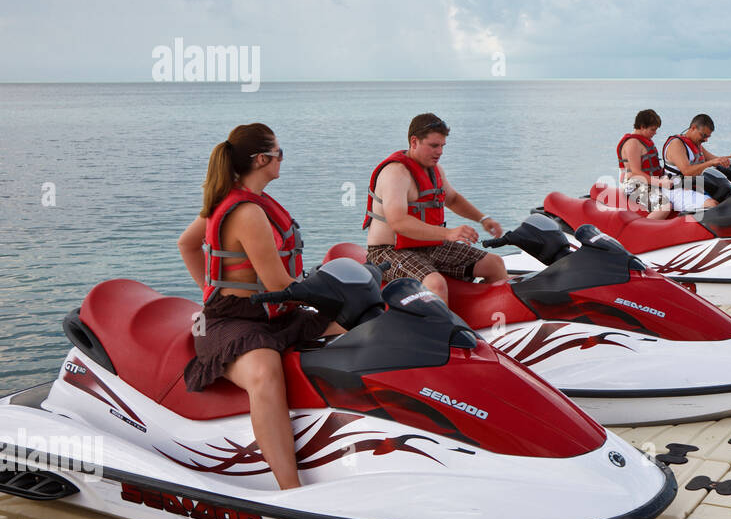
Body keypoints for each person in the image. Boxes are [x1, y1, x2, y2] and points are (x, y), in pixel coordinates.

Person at [178, 124, 345, 490]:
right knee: (265, 371)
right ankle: (291, 489)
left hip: (274, 313)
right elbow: (277, 284)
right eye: (279, 153)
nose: (283, 159)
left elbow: (187, 245)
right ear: (262, 159)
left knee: (355, 331)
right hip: (231, 322)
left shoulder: (242, 201)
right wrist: (214, 294)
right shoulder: (246, 212)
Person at [364, 113, 506, 295]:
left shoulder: (434, 169)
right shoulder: (395, 173)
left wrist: (483, 219)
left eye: (442, 146)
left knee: (494, 264)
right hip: (388, 252)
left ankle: (495, 318)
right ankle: (443, 323)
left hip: (428, 245)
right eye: (434, 146)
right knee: (436, 283)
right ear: (414, 142)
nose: (440, 152)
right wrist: (449, 233)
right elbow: (398, 222)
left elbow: (452, 199)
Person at [661, 114, 731, 210]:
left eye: (708, 137)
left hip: (694, 186)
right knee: (712, 205)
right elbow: (687, 171)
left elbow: (716, 159)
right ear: (693, 128)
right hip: (676, 190)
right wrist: (711, 163)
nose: (706, 140)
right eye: (703, 135)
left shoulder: (696, 144)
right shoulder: (676, 144)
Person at [618, 109, 678, 220]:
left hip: (650, 181)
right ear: (642, 126)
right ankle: (643, 231)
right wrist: (660, 183)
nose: (655, 133)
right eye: (652, 129)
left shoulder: (643, 141)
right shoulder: (633, 144)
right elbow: (636, 172)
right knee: (665, 206)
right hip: (635, 185)